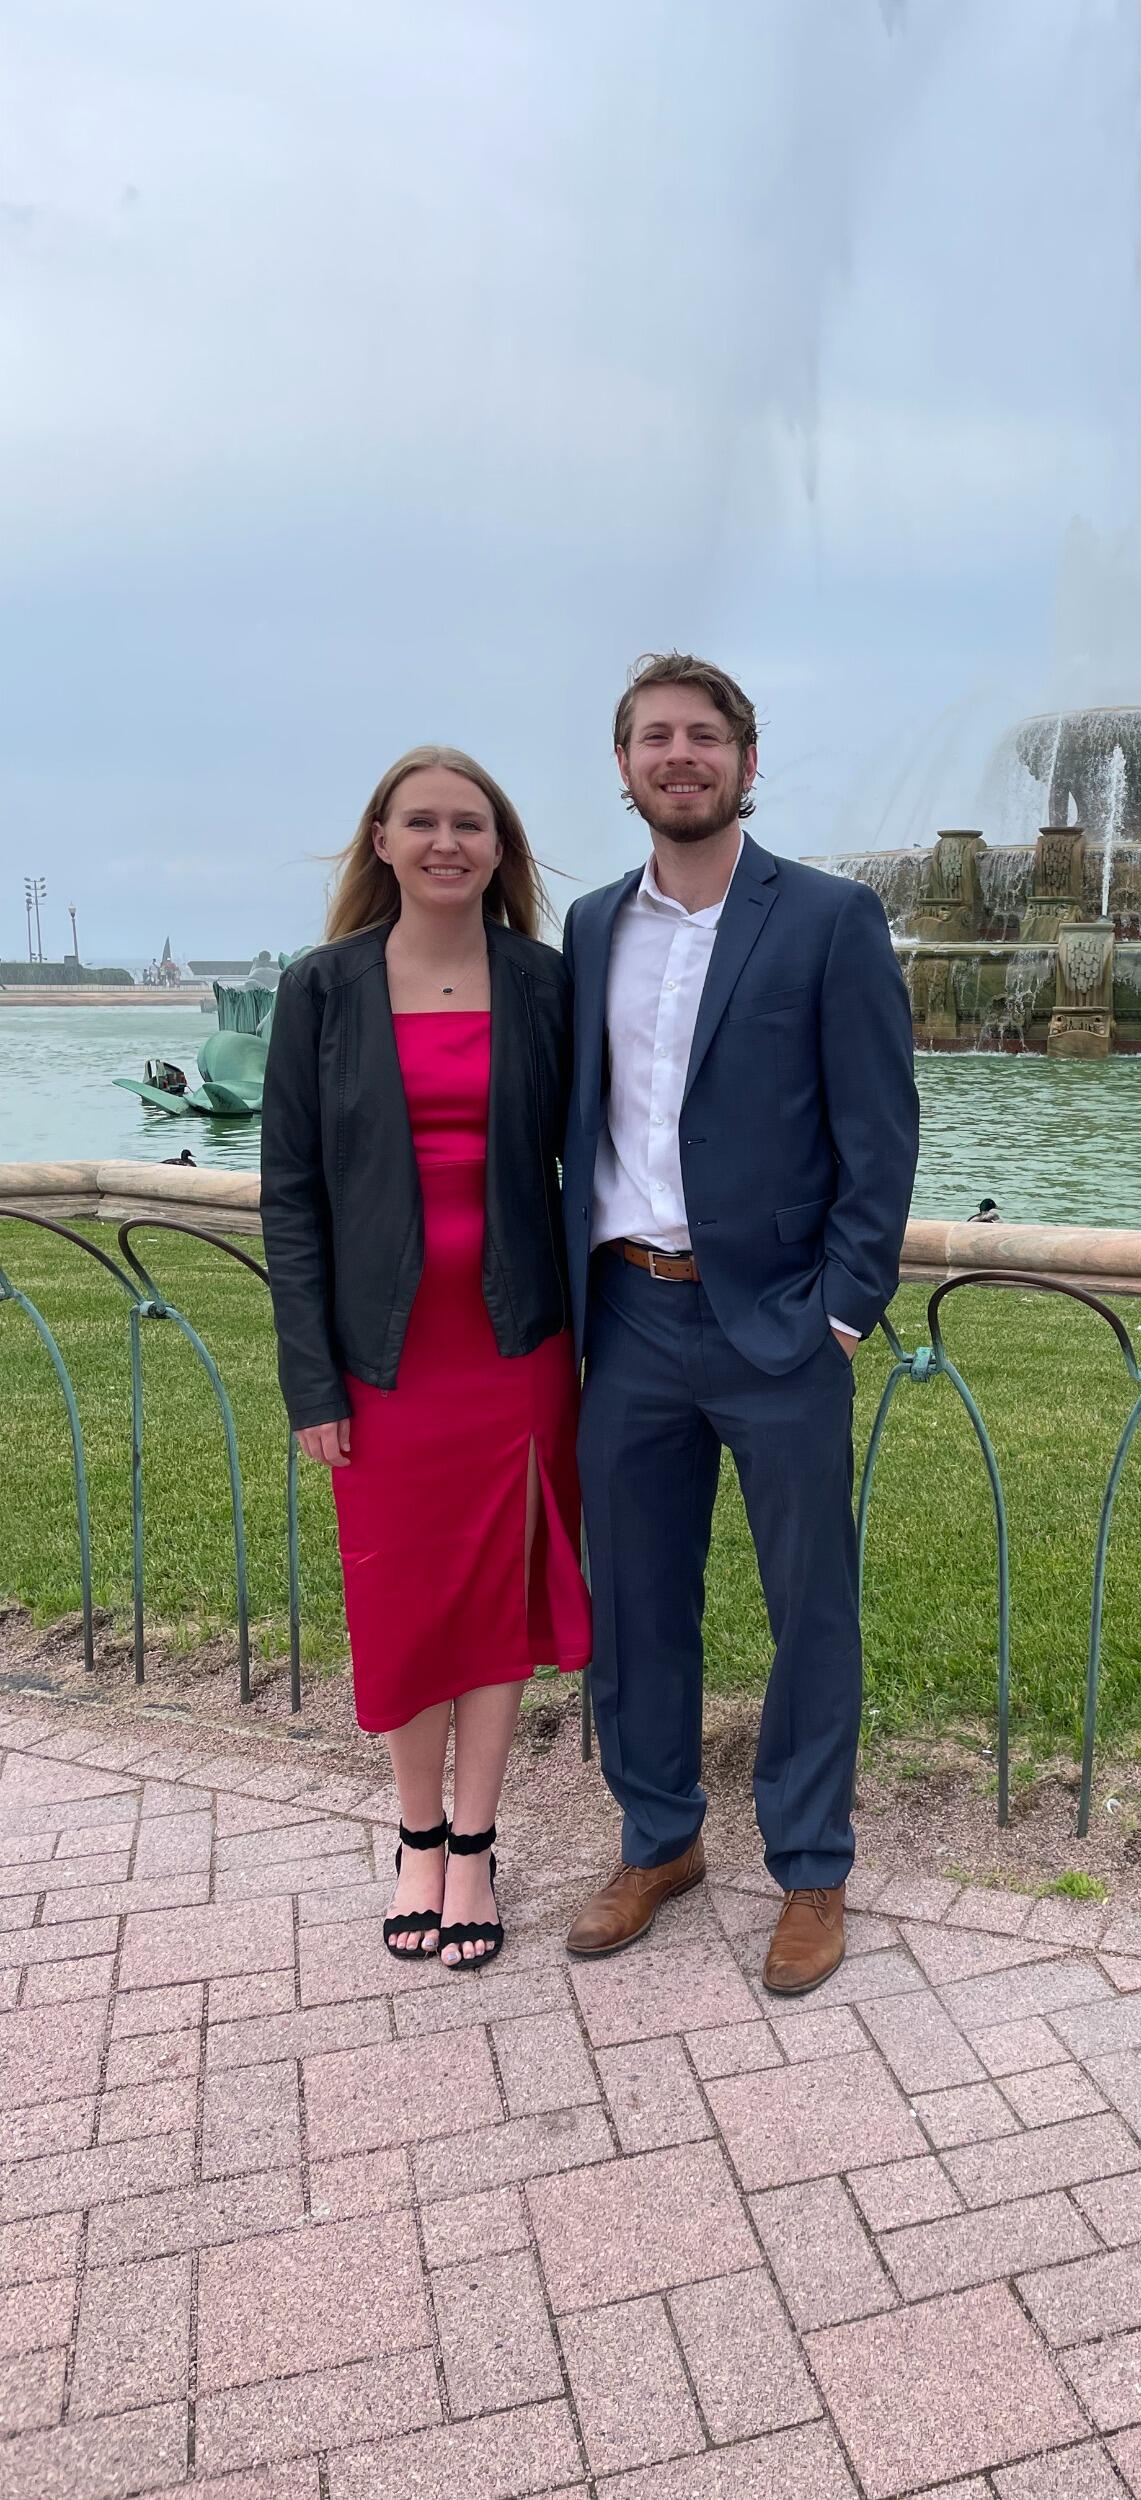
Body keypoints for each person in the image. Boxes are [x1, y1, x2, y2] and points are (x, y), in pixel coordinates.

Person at [563, 653, 918, 1995]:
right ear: (623, 766)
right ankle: (658, 1840)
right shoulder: (590, 926)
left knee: (808, 1607)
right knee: (635, 1602)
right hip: (628, 1315)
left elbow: (879, 1133)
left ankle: (812, 1869)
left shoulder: (827, 917)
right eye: (655, 736)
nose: (680, 756)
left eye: (704, 736)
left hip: (780, 1326)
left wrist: (842, 1313)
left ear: (746, 761)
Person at [261, 747, 590, 1970]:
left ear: (499, 850)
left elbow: (597, 1154)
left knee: (498, 1599)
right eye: (422, 822)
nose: (447, 842)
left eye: (470, 823)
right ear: (384, 842)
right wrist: (312, 1379)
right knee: (403, 1600)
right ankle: (416, 1836)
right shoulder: (323, 988)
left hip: (517, 1345)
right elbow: (290, 1197)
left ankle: (477, 1846)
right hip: (381, 1359)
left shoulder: (544, 983)